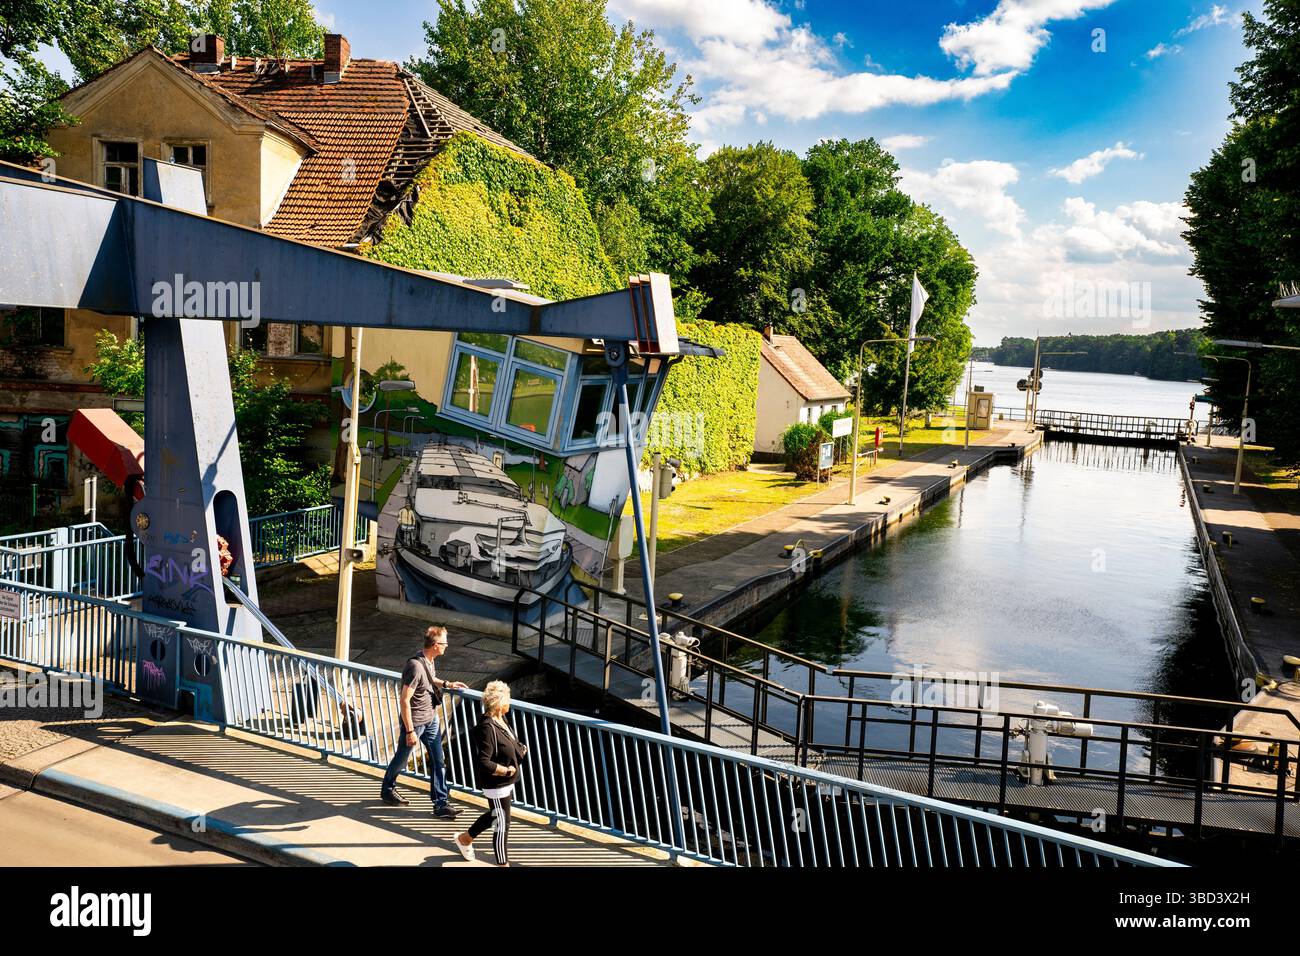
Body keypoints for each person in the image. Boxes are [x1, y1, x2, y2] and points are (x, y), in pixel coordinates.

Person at [381, 625, 468, 817]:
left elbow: (430, 679)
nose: (447, 646)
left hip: (431, 719)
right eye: (445, 643)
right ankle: (387, 789)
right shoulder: (415, 667)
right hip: (416, 722)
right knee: (402, 759)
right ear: (436, 645)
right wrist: (410, 731)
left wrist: (447, 684)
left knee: (439, 760)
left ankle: (441, 804)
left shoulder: (428, 660)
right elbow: (404, 699)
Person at [454, 680, 528, 866]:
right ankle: (503, 864)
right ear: (499, 703)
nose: (510, 703)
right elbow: (484, 761)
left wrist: (519, 749)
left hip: (506, 782)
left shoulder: (501, 719)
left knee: (496, 815)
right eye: (508, 700)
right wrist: (506, 771)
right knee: (502, 825)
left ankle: (465, 839)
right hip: (497, 784)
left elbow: (509, 741)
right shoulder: (487, 728)